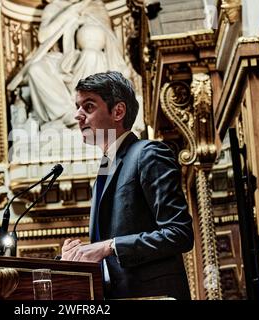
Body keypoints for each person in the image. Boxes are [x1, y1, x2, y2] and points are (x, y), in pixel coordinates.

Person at [61, 71, 194, 300]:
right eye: (78, 107)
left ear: (118, 111)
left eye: (88, 106)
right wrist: (75, 258)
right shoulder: (105, 169)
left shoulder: (148, 154)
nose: (77, 116)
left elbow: (179, 233)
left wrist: (108, 246)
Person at [8, 0, 132, 128]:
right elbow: (43, 36)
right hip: (62, 59)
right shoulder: (53, 7)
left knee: (91, 56)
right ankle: (67, 113)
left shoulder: (96, 5)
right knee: (36, 69)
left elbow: (108, 38)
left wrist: (87, 23)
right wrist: (68, 14)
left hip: (87, 55)